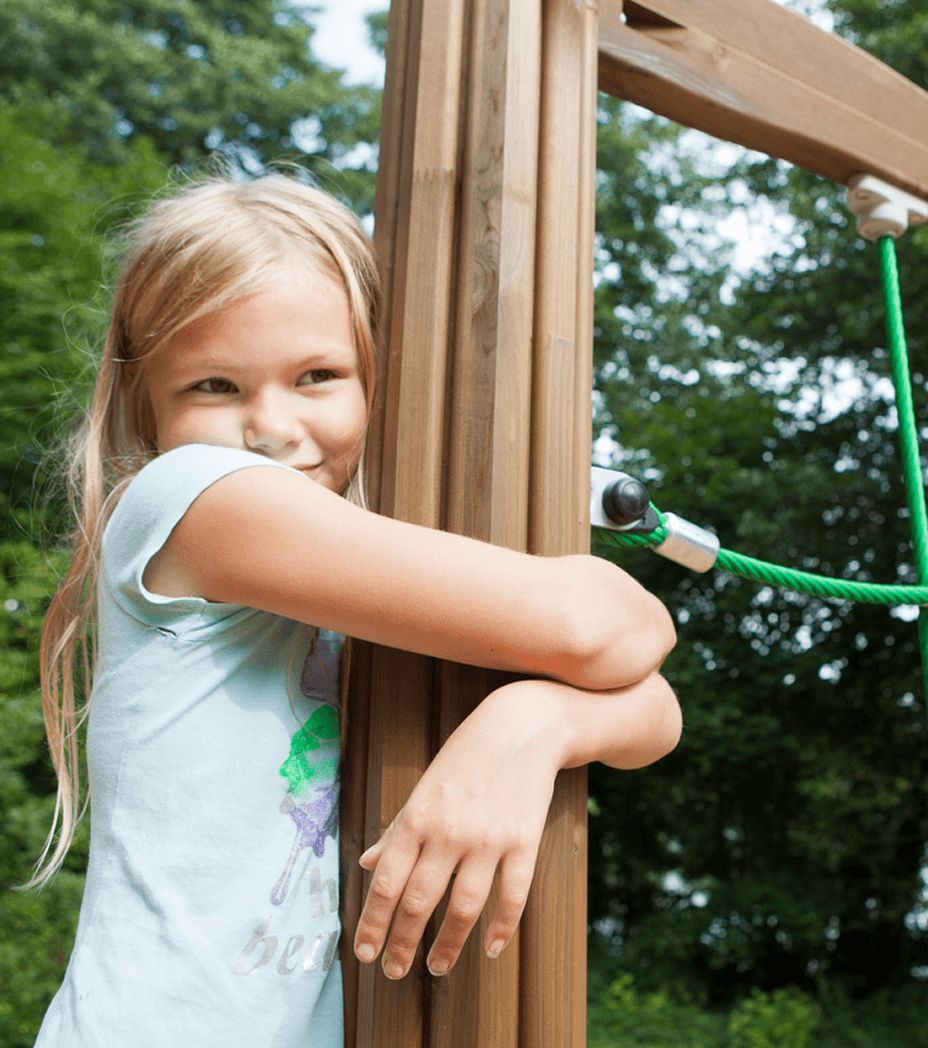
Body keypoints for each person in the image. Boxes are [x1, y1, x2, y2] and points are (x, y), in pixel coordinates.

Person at [31, 171, 681, 1046]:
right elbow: (601, 628)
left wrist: (537, 723)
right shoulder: (193, 497)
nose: (270, 426)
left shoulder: (336, 577)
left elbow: (657, 706)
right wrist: (558, 686)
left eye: (317, 376)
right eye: (214, 387)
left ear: (379, 378)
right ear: (146, 405)